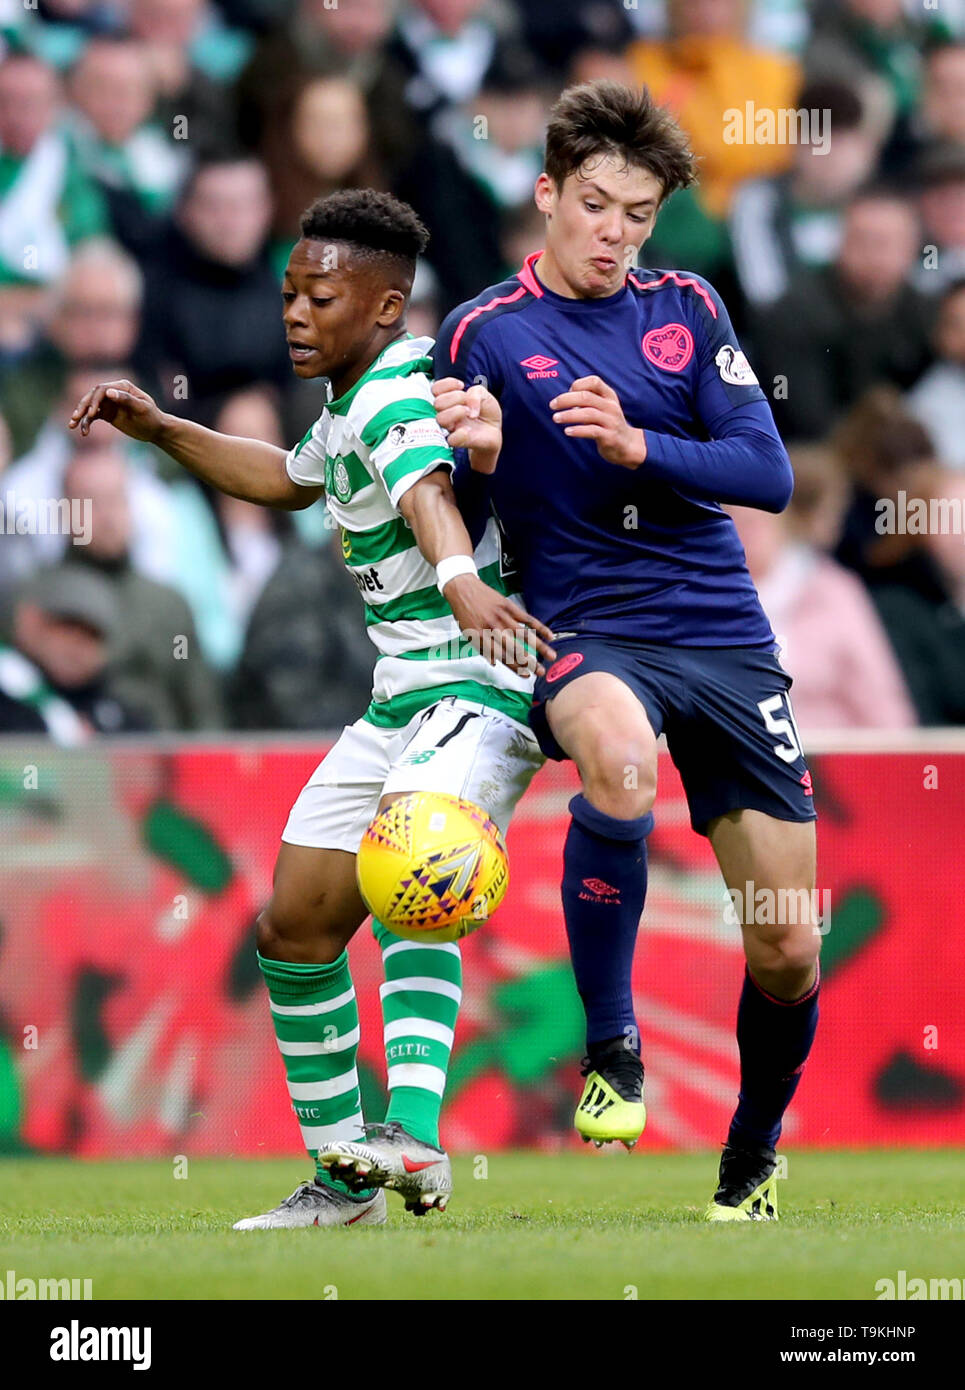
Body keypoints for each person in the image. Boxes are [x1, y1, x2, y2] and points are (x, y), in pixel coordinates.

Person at [69, 188, 554, 1228]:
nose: (292, 312)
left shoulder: (393, 393)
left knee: (417, 861)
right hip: (403, 694)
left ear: (383, 308)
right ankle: (345, 1182)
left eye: (318, 295)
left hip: (477, 678)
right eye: (289, 292)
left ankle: (412, 1134)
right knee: (293, 925)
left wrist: (461, 576)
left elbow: (424, 486)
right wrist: (161, 429)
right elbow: (292, 482)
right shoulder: (353, 397)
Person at [431, 79, 820, 1221]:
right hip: (588, 627)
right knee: (619, 768)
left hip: (720, 634)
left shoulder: (688, 307)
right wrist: (487, 462)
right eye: (595, 204)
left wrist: (640, 442)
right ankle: (612, 1044)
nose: (614, 232)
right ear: (546, 194)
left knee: (788, 949)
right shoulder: (482, 332)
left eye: (638, 212)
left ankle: (748, 1156)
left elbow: (768, 475)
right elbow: (444, 505)